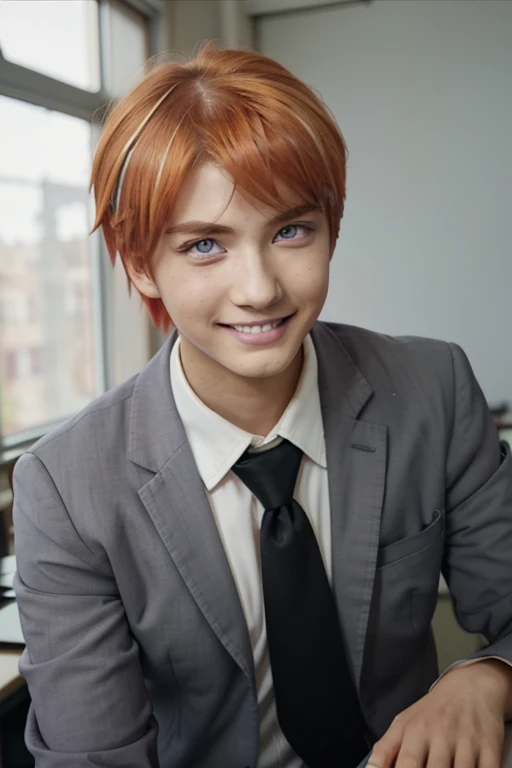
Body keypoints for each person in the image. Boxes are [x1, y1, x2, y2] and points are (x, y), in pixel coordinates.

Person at [12, 42, 512, 768]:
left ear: (332, 226)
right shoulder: (68, 486)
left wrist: (488, 675)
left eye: (289, 231)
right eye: (205, 245)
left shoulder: (433, 390)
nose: (259, 288)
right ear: (142, 263)